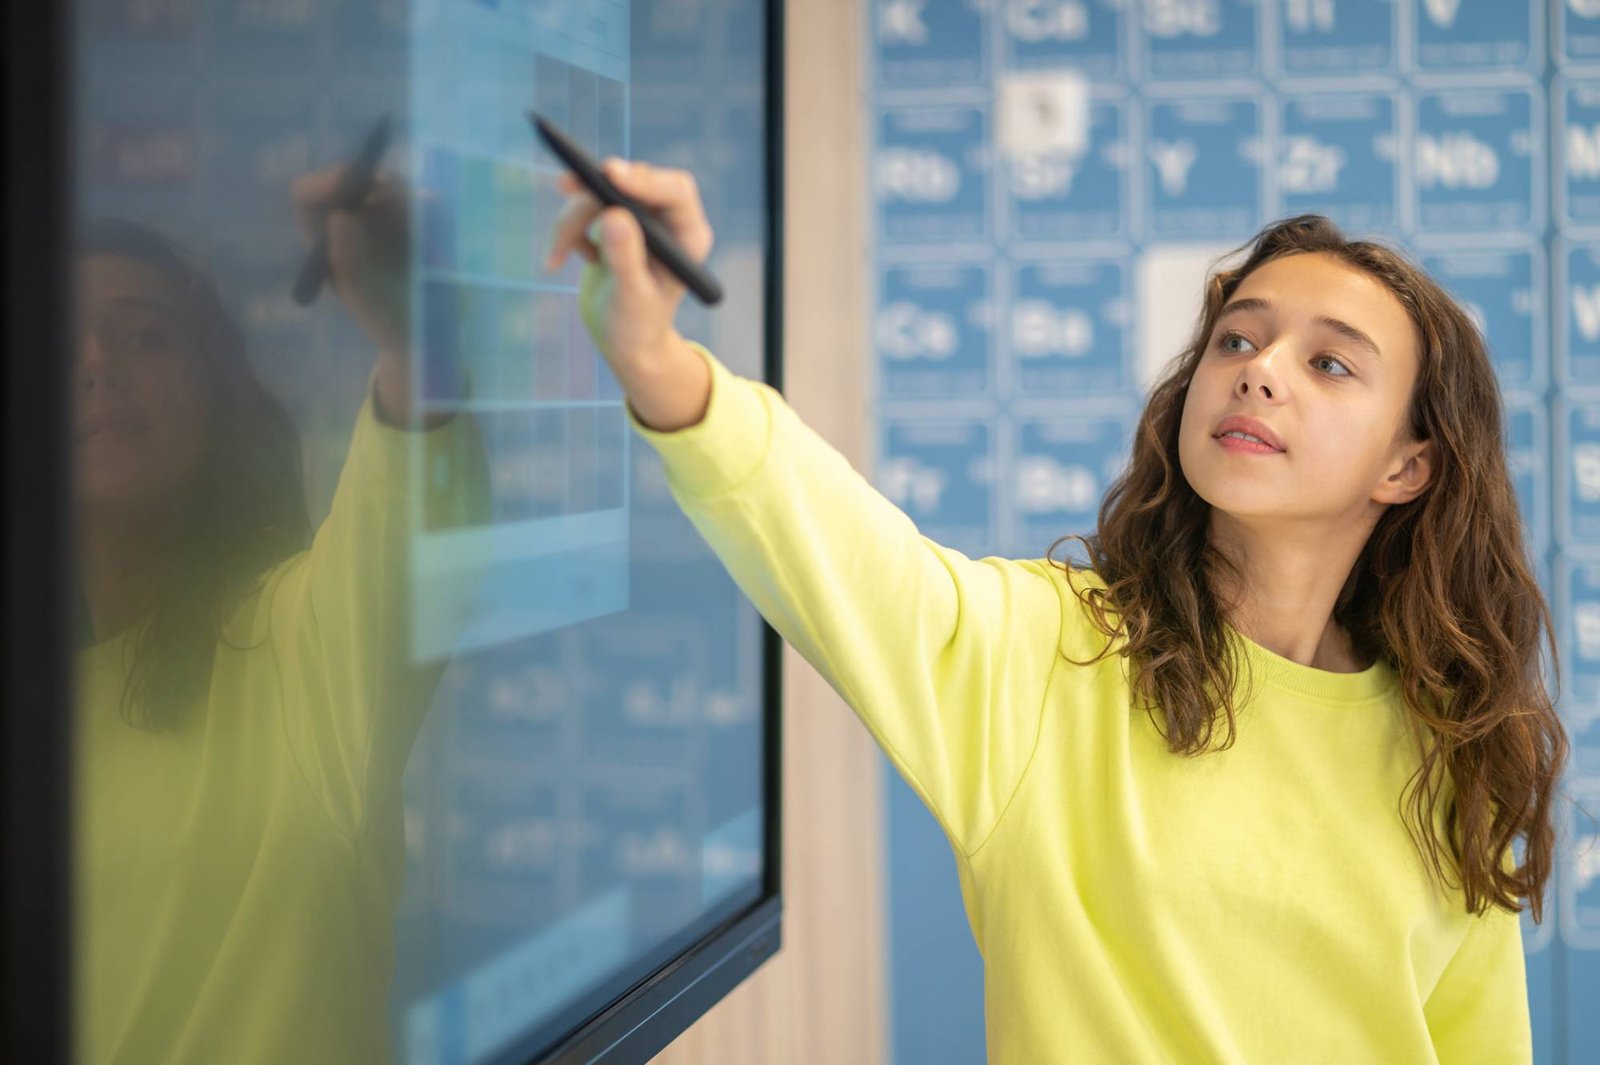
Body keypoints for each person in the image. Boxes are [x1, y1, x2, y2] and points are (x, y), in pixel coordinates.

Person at [545, 159, 1572, 1064]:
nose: (1259, 370)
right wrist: (657, 359)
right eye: (1235, 340)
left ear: (1407, 466)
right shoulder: (1055, 656)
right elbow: (834, 546)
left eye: (1328, 362)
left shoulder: (1449, 750)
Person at [73, 167, 487, 1064]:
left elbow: (413, 502)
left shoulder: (295, 646)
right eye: (53, 344)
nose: (96, 360)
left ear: (217, 392)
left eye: (144, 334)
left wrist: (417, 329)